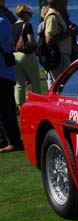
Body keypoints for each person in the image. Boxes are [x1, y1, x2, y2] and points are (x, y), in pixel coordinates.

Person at [1, 13, 23, 153]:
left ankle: (13, 141)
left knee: (5, 109)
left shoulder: (1, 22)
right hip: (3, 73)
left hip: (3, 73)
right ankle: (4, 140)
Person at [13, 4, 41, 109]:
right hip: (27, 55)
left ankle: (20, 106)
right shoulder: (27, 25)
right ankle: (37, 104)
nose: (30, 16)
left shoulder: (13, 26)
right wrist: (37, 49)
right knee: (35, 81)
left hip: (15, 55)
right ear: (24, 14)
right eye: (29, 14)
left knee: (19, 83)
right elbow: (31, 41)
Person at [44, 0, 78, 83]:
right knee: (62, 84)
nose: (66, 3)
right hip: (59, 57)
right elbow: (49, 39)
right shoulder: (52, 17)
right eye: (64, 1)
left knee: (66, 83)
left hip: (64, 55)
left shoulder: (59, 15)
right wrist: (69, 33)